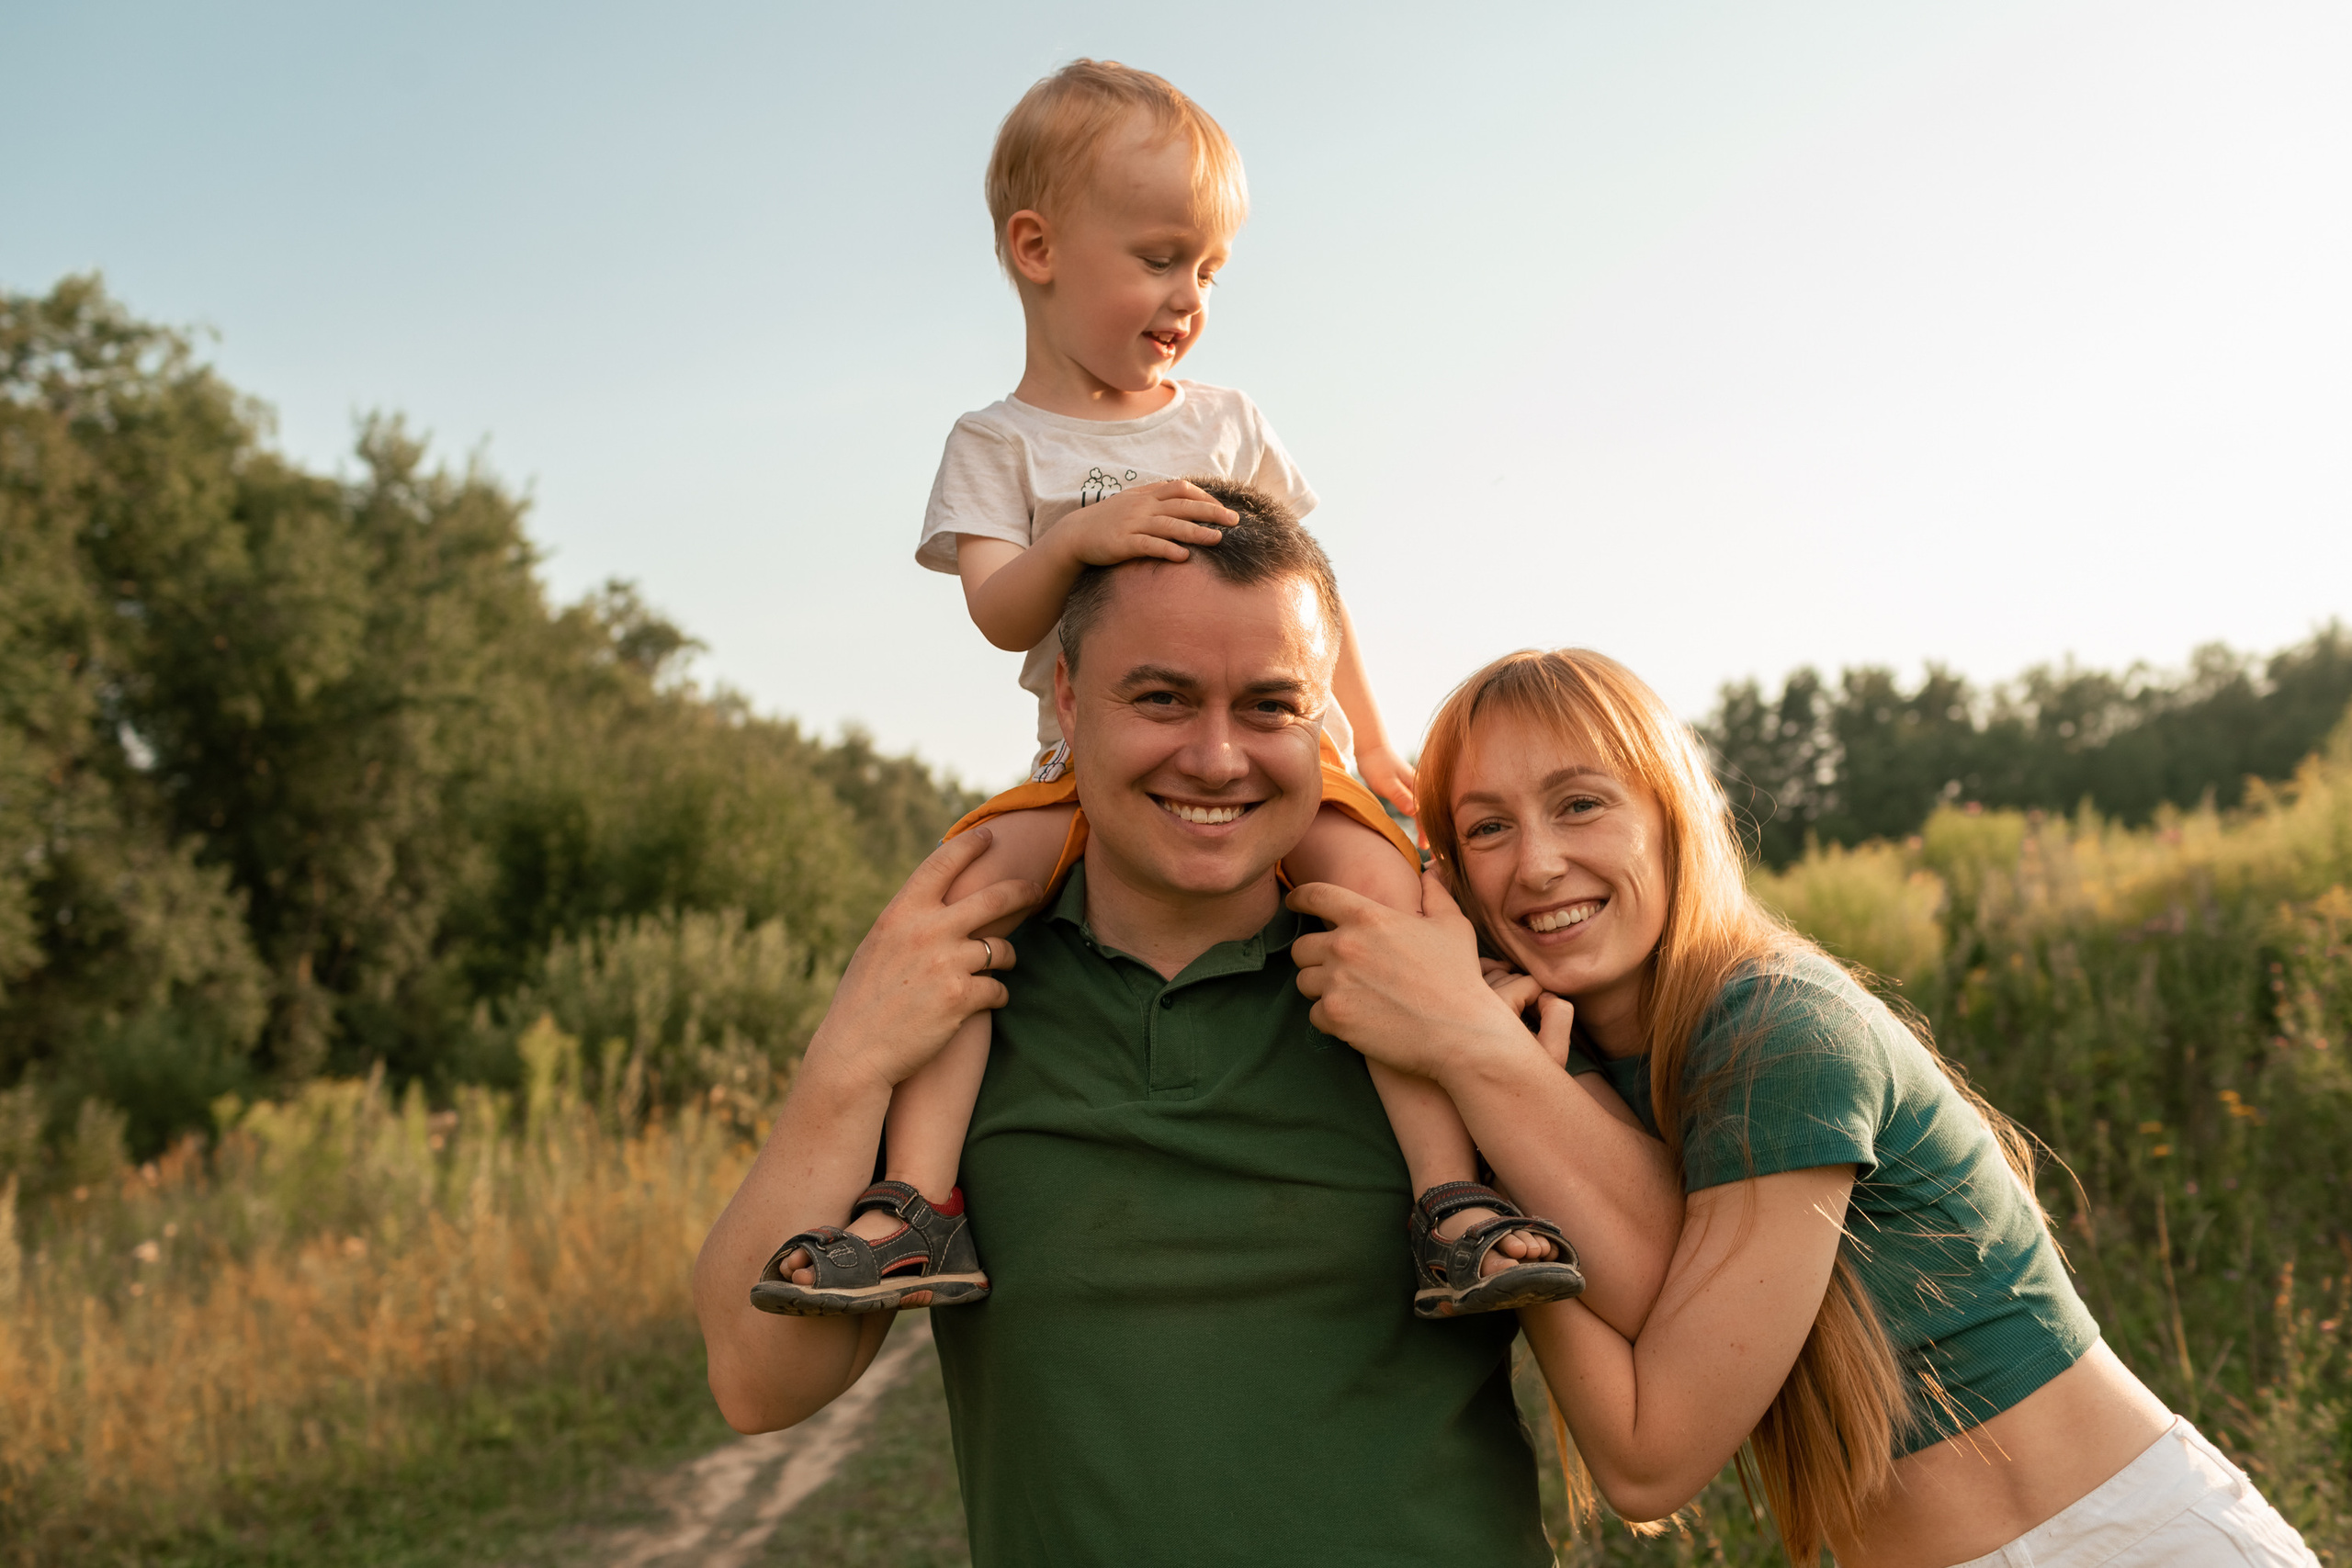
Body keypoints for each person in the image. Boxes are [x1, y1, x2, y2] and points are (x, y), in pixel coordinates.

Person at [692, 508, 1684, 1564]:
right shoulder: (961, 997)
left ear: (1323, 725)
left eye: (1270, 706)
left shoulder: (1432, 973)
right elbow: (759, 1383)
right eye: (1161, 697)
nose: (1217, 758)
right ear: (1068, 699)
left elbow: (1665, 1310)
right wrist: (847, 1055)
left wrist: (1468, 1043)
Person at [749, 57, 1576, 1320]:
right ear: (1037, 247)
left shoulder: (1229, 424)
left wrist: (1377, 741)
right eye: (1157, 258)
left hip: (1295, 753)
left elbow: (1317, 596)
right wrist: (1078, 538)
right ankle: (919, 1202)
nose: (1187, 296)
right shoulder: (1001, 443)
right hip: (1081, 767)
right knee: (966, 907)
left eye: (1208, 269)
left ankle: (1452, 1195)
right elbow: (996, 613)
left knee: (1386, 906)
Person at [1287, 647, 2321, 1567]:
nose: (1538, 861)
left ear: (1671, 816)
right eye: (1487, 828)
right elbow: (1628, 1419)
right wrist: (1493, 1102)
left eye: (1580, 804)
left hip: (2120, 1542)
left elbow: (1652, 1460)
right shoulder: (1572, 1076)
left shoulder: (1778, 1028)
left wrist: (1470, 1053)